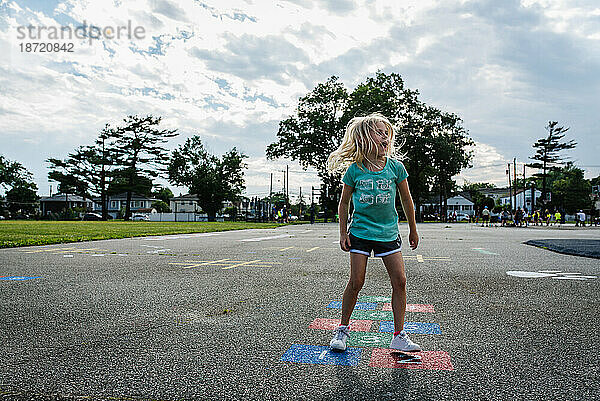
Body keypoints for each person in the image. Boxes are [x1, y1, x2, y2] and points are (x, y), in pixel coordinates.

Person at [326, 113, 420, 352]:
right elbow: (344, 203)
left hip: (388, 233)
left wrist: (413, 229)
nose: (385, 138)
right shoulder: (355, 171)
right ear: (366, 137)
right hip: (360, 232)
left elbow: (407, 200)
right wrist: (342, 232)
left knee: (400, 281)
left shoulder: (396, 168)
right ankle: (342, 330)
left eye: (387, 133)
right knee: (357, 281)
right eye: (379, 133)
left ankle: (398, 335)